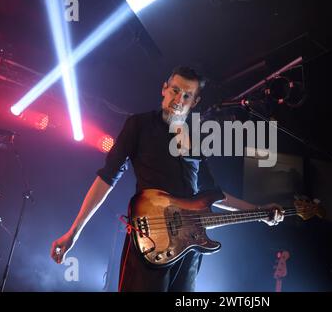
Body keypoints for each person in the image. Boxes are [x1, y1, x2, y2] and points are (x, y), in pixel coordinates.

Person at [50, 66, 284, 292]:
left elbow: (214, 194)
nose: (178, 99)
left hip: (189, 247)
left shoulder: (196, 140)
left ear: (195, 102)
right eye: (174, 90)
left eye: (186, 95)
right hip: (151, 241)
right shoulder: (139, 125)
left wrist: (259, 210)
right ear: (164, 89)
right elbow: (106, 178)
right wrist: (74, 232)